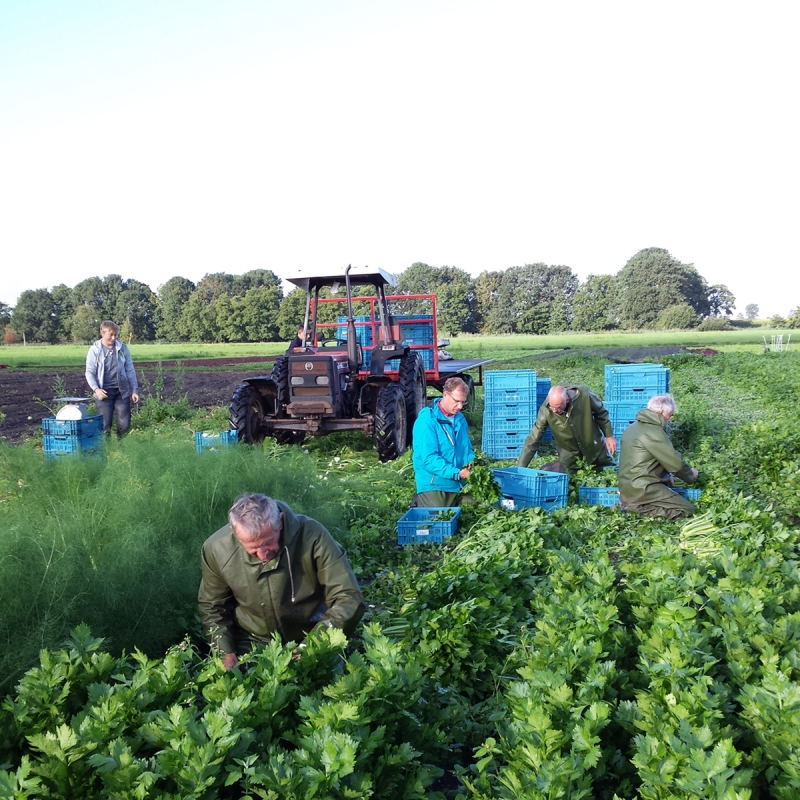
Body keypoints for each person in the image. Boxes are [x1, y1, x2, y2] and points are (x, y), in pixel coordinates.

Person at [198, 493, 366, 670]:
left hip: (311, 631)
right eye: (253, 549)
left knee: (326, 684)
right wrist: (225, 652)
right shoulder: (217, 549)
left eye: (268, 542)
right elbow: (212, 606)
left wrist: (312, 644)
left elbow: (348, 597)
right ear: (236, 534)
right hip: (253, 641)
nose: (263, 555)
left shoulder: (312, 536)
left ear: (280, 521)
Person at [618, 394, 699, 519]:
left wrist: (668, 476)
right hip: (643, 488)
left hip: (628, 486)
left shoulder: (633, 427)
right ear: (662, 412)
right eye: (670, 415)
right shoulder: (653, 431)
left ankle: (634, 505)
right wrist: (690, 474)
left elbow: (651, 458)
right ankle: (636, 510)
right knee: (687, 509)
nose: (670, 419)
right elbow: (675, 462)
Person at [517, 385, 617, 473]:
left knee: (608, 472)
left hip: (594, 447)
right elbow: (533, 438)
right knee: (571, 481)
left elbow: (601, 412)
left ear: (567, 400)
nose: (555, 410)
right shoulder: (546, 410)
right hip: (569, 454)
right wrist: (520, 468)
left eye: (559, 407)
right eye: (553, 407)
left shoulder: (584, 395)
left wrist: (609, 435)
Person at [412, 376, 475, 507]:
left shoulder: (460, 419)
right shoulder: (427, 421)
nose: (460, 406)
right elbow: (429, 459)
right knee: (440, 515)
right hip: (435, 482)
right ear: (445, 394)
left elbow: (467, 449)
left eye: (463, 402)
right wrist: (457, 473)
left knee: (480, 507)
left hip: (459, 481)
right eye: (457, 401)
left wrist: (472, 462)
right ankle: (420, 500)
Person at [85, 320, 139, 436]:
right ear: (102, 333)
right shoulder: (95, 350)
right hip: (103, 392)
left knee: (124, 424)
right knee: (105, 426)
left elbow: (130, 370)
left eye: (115, 335)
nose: (113, 338)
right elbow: (89, 372)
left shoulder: (123, 348)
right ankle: (107, 450)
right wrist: (96, 389)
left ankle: (121, 449)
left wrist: (134, 390)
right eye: (111, 335)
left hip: (121, 391)